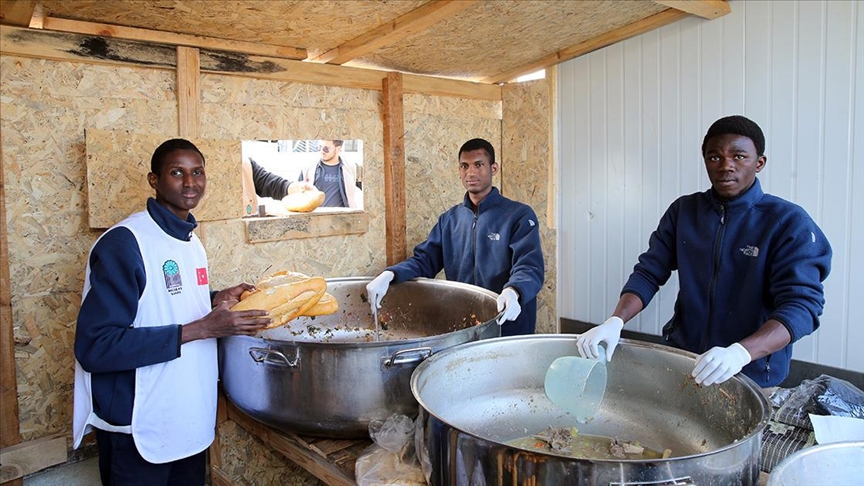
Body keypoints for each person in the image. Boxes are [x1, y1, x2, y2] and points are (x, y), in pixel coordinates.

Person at [576, 115, 832, 388]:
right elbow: (649, 272)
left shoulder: (787, 222)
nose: (725, 166)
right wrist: (615, 320)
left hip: (750, 373)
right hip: (684, 360)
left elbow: (801, 306)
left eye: (739, 156)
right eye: (714, 157)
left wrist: (740, 353)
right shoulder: (684, 212)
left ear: (759, 163)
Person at [72, 139, 272, 485]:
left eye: (197, 172)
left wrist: (214, 299)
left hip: (187, 417)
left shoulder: (191, 241)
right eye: (176, 173)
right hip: (139, 425)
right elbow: (96, 346)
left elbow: (161, 302)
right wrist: (205, 328)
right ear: (154, 180)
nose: (190, 183)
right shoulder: (126, 243)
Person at [366, 138, 545, 336]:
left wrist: (515, 291)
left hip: (508, 321)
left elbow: (530, 267)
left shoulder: (518, 215)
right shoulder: (449, 220)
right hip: (466, 323)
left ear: (493, 168)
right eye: (464, 166)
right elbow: (425, 260)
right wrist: (391, 274)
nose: (471, 173)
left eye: (479, 165)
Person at [290, 139, 361, 208]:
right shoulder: (308, 169)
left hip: (341, 217)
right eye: (319, 147)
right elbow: (297, 194)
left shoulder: (350, 168)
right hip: (315, 217)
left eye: (325, 149)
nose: (321, 151)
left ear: (338, 149)